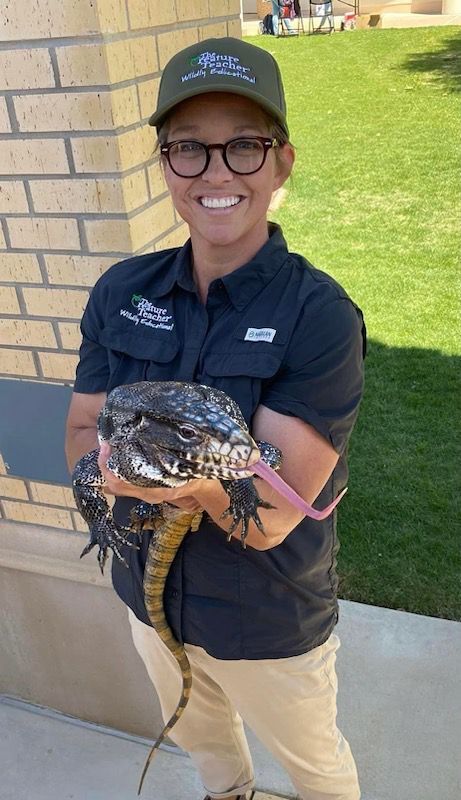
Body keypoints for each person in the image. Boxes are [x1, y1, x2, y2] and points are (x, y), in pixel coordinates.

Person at [65, 37, 365, 800]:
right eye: (189, 149)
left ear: (282, 162)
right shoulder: (120, 290)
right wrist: (111, 485)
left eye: (244, 145)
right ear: (164, 164)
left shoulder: (318, 315)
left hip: (265, 616)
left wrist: (165, 483)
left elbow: (266, 515)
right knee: (202, 738)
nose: (218, 172)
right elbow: (83, 434)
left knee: (314, 766)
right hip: (148, 593)